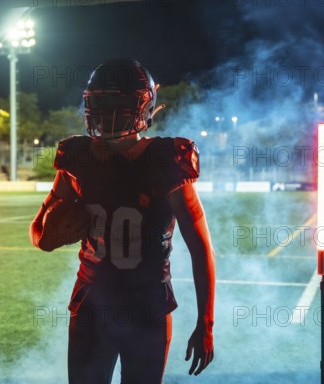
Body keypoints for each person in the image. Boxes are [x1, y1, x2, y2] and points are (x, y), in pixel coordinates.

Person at [30, 59, 216, 383]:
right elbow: (39, 234)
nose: (109, 113)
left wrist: (206, 323)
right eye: (102, 103)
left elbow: (201, 250)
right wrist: (49, 233)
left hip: (145, 305)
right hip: (93, 302)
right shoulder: (76, 156)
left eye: (119, 104)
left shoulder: (166, 159)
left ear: (143, 106)